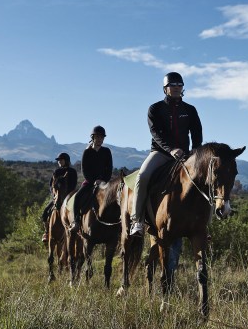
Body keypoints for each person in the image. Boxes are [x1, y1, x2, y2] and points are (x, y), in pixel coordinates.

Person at [129, 72, 203, 236]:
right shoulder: (155, 109)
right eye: (172, 85)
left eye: (179, 85)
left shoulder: (190, 110)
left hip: (185, 155)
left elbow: (197, 132)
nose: (176, 87)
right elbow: (156, 133)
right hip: (161, 153)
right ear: (165, 89)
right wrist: (171, 149)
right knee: (143, 176)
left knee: (203, 180)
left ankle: (203, 225)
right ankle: (137, 221)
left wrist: (196, 152)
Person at [69, 125, 114, 231]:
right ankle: (76, 221)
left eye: (102, 137)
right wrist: (94, 181)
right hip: (90, 181)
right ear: (93, 138)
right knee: (78, 197)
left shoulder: (106, 151)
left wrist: (104, 181)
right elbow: (84, 170)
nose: (100, 139)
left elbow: (109, 168)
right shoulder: (87, 152)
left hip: (104, 182)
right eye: (98, 137)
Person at [41, 152, 78, 241]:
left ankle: (77, 229)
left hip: (69, 197)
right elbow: (51, 185)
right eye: (58, 160)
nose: (59, 162)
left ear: (66, 161)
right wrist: (54, 194)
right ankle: (46, 232)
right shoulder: (56, 172)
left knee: (77, 211)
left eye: (61, 160)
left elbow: (73, 185)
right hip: (57, 196)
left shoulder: (72, 172)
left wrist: (66, 195)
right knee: (45, 212)